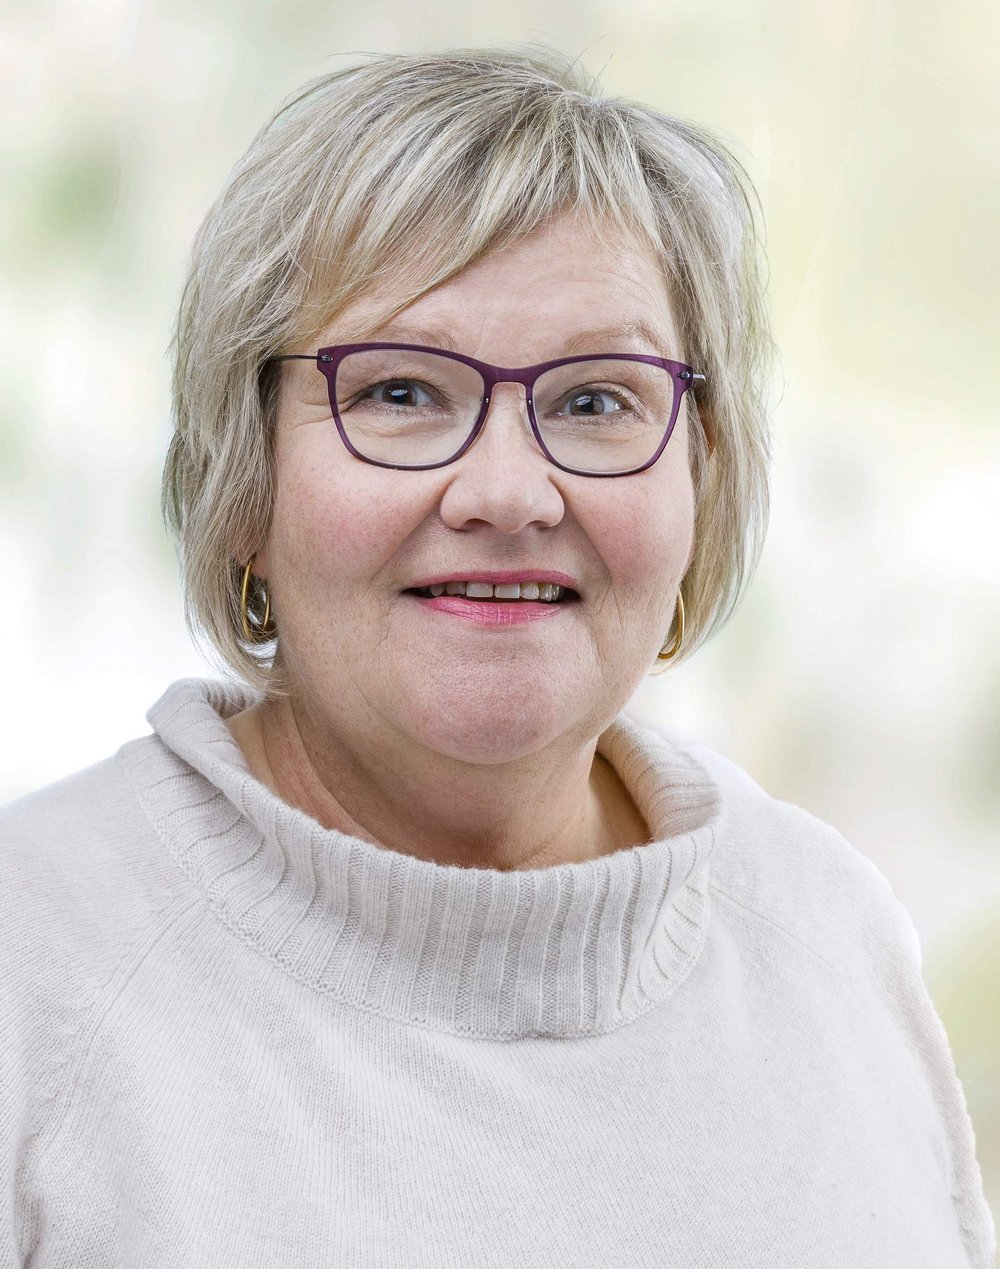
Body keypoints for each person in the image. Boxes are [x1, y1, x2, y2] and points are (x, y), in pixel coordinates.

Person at [1, 44, 994, 1269]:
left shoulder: (827, 931)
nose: (509, 493)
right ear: (244, 476)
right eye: (401, 393)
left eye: (595, 400)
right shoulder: (33, 964)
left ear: (701, 479)